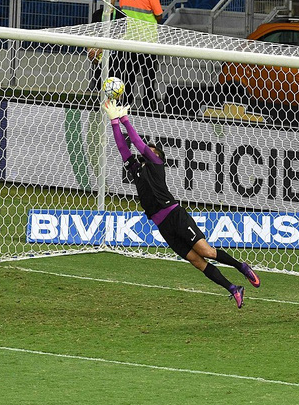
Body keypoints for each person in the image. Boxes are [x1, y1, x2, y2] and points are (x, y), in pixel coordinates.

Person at [102, 100, 261, 308]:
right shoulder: (136, 170)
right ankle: (233, 288)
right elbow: (122, 146)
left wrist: (123, 119)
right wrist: (113, 122)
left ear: (156, 155)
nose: (145, 152)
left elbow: (138, 144)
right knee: (197, 262)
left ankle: (242, 267)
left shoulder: (157, 164)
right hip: (163, 226)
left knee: (207, 252)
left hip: (175, 216)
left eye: (150, 150)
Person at [118, 0, 162, 109]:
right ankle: (150, 106)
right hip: (148, 42)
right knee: (149, 77)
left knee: (128, 76)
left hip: (130, 40)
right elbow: (159, 15)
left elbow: (122, 10)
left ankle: (125, 105)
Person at [88, 0, 125, 94]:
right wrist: (91, 52)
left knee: (115, 92)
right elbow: (91, 35)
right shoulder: (97, 14)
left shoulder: (121, 16)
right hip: (100, 61)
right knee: (99, 91)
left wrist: (100, 49)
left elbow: (119, 38)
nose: (109, 0)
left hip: (116, 61)